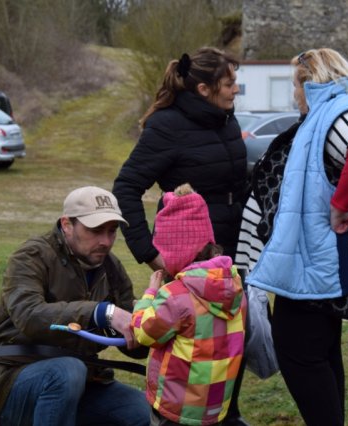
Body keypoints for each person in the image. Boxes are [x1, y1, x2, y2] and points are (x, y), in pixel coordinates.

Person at [236, 48, 348, 425]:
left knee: (299, 353)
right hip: (318, 265)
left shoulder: (339, 111)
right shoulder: (339, 109)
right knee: (321, 354)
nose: (294, 96)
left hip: (321, 265)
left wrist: (339, 205)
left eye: (295, 85)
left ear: (310, 83)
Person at [113, 46, 249, 425]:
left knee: (230, 347)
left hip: (234, 257)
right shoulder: (167, 125)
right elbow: (126, 187)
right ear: (203, 89)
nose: (236, 89)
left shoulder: (226, 120)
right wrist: (148, 251)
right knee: (192, 355)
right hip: (191, 264)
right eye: (229, 82)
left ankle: (226, 415)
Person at [0, 186, 150, 426]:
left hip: (84, 381)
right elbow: (29, 316)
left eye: (112, 231)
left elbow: (135, 350)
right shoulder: (31, 256)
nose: (106, 241)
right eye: (96, 230)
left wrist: (151, 322)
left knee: (144, 412)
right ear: (67, 224)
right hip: (11, 379)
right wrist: (100, 312)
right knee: (67, 371)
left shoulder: (110, 267)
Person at [130, 184, 247, 426]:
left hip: (175, 409)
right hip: (214, 408)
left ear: (176, 251)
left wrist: (149, 295)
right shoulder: (234, 287)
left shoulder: (176, 295)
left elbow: (144, 333)